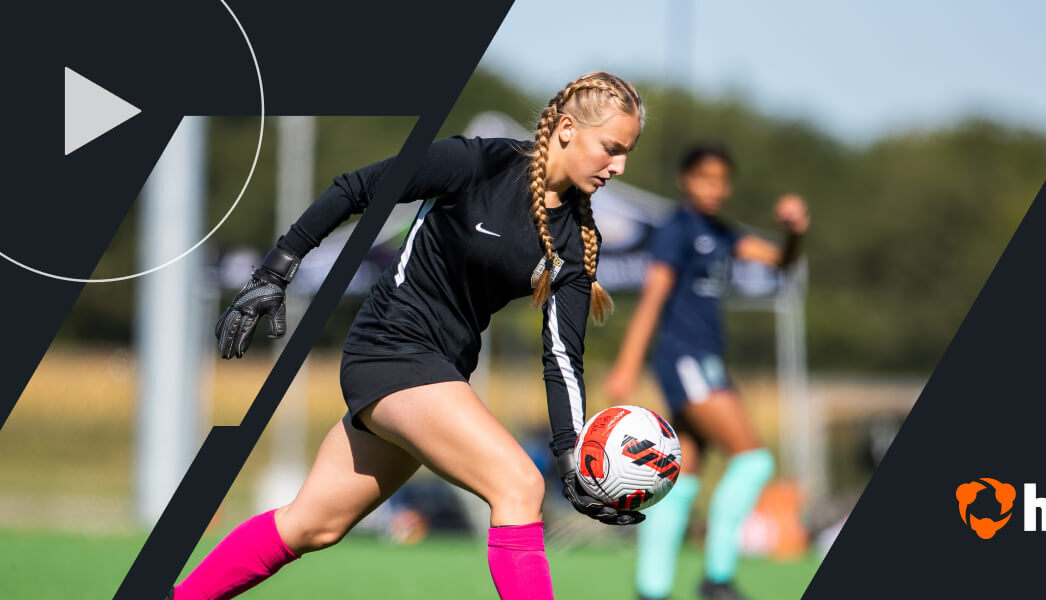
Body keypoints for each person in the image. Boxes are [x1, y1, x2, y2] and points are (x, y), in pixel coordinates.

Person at [172, 71, 645, 600]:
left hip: (438, 375)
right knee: (518, 484)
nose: (618, 167)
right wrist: (274, 271)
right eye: (611, 148)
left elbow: (561, 357)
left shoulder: (578, 240)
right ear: (566, 129)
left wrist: (571, 459)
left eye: (626, 154)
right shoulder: (479, 163)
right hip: (390, 351)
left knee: (311, 525)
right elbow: (357, 188)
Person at [604, 144, 810, 600]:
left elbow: (781, 261)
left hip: (705, 362)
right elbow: (652, 299)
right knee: (753, 460)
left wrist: (794, 232)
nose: (715, 188)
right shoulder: (676, 230)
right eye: (705, 178)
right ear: (685, 180)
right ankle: (717, 577)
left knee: (682, 475)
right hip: (686, 360)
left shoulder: (721, 233)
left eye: (722, 180)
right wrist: (626, 365)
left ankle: (651, 588)